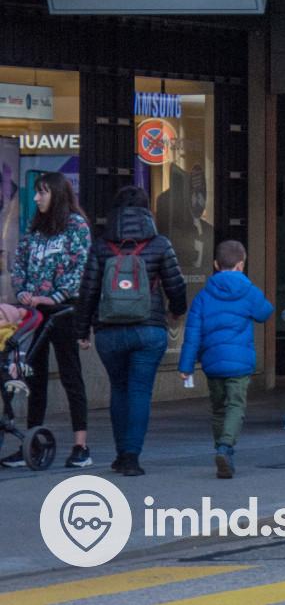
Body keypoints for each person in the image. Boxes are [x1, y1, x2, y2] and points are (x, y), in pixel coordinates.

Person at [78, 186, 186, 478]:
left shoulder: (101, 246)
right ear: (147, 211)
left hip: (109, 332)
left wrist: (82, 329)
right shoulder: (160, 244)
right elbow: (176, 285)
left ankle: (120, 453)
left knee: (119, 389)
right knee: (140, 391)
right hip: (148, 330)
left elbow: (88, 291)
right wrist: (176, 311)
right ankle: (131, 457)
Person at [5, 173, 92, 468]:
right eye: (36, 192)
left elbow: (80, 268)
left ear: (56, 194)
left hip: (63, 311)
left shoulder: (76, 226)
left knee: (71, 375)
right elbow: (19, 263)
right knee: (34, 375)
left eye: (42, 193)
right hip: (35, 312)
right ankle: (32, 442)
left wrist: (54, 297)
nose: (36, 198)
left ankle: (81, 446)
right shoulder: (35, 228)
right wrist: (23, 291)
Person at [177, 240, 274, 479]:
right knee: (235, 406)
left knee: (218, 408)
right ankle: (225, 448)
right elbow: (264, 312)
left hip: (212, 363)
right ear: (241, 265)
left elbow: (192, 334)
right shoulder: (248, 291)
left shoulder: (203, 296)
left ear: (215, 264)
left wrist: (186, 366)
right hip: (240, 362)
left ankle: (222, 451)